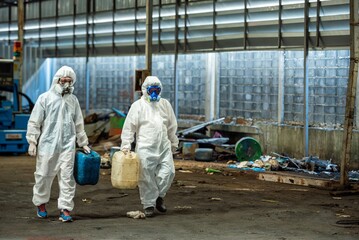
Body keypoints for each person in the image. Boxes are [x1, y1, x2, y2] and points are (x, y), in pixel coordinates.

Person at [26, 66, 91, 222]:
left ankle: (65, 209)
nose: (66, 83)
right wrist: (32, 141)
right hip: (48, 144)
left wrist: (83, 142)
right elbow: (35, 121)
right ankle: (41, 204)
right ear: (57, 80)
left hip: (67, 145)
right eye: (64, 80)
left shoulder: (73, 100)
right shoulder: (45, 98)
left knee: (67, 178)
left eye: (69, 81)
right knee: (43, 175)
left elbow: (78, 123)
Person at [120, 76, 178, 217]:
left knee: (169, 172)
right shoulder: (137, 106)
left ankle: (159, 196)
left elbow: (171, 125)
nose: (154, 93)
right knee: (145, 176)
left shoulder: (165, 104)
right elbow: (129, 127)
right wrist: (126, 145)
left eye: (157, 90)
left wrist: (174, 142)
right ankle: (149, 204)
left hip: (164, 145)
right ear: (145, 90)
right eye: (151, 90)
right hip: (145, 146)